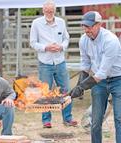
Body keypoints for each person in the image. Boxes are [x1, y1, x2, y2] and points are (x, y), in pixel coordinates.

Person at [70, 11, 121, 143]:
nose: (87, 30)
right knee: (96, 120)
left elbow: (102, 73)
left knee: (119, 118)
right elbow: (85, 65)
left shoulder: (111, 40)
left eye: (90, 26)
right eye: (85, 26)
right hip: (99, 83)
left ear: (99, 25)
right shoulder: (83, 40)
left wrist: (82, 87)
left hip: (118, 80)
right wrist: (78, 86)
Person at [30, 0, 77, 128]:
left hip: (60, 61)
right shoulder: (36, 23)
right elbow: (33, 43)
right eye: (47, 11)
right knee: (45, 92)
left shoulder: (61, 22)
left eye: (51, 11)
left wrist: (61, 47)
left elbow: (67, 39)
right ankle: (46, 120)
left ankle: (68, 118)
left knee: (65, 90)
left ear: (54, 11)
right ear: (43, 10)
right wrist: (46, 47)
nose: (49, 13)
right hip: (45, 63)